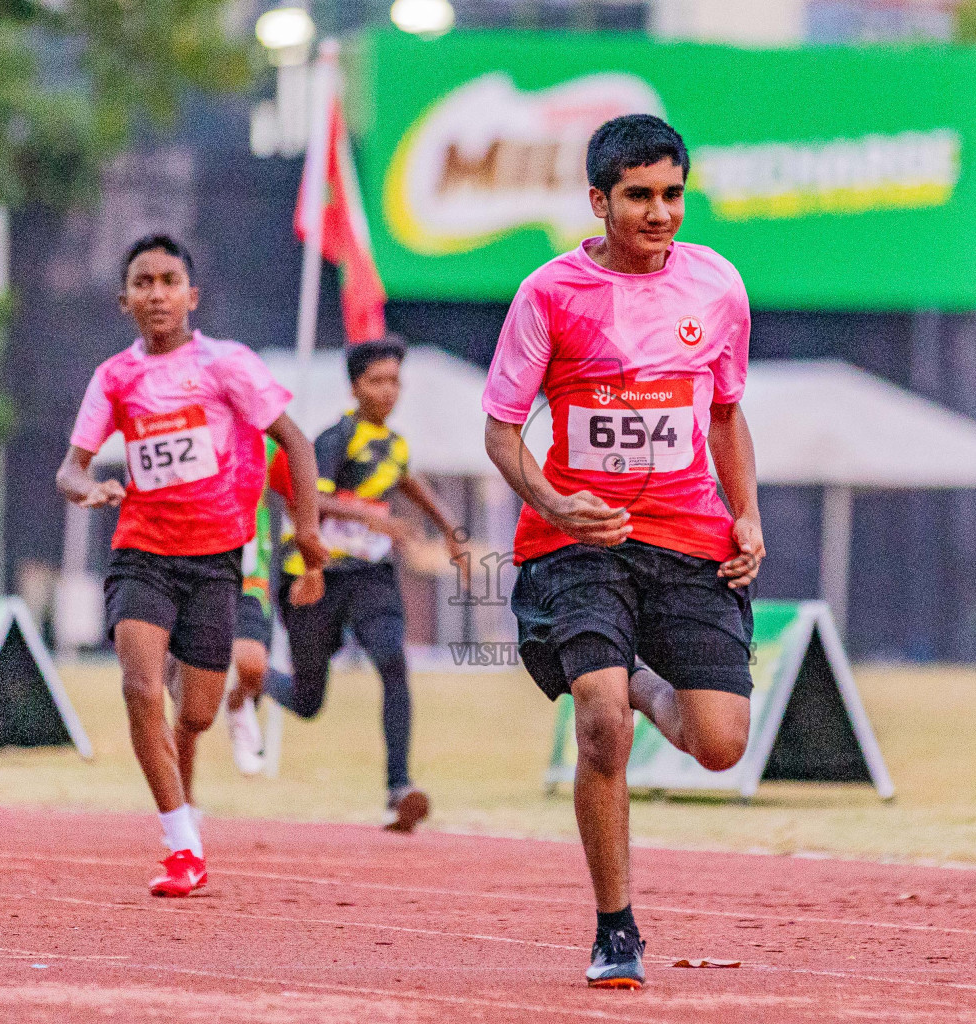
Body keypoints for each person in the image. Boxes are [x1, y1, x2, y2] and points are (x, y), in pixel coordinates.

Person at [481, 114, 764, 989]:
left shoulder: (717, 287)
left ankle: (641, 681)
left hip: (688, 537)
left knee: (718, 744)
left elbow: (723, 412)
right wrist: (556, 501)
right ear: (599, 200)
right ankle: (615, 928)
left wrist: (748, 515)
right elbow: (500, 432)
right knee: (599, 720)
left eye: (672, 194)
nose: (659, 213)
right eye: (639, 196)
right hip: (580, 542)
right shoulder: (550, 295)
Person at [56, 233, 327, 897]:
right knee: (140, 687)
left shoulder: (228, 365)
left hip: (215, 561)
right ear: (125, 299)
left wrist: (310, 532)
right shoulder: (115, 377)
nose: (156, 293)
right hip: (142, 550)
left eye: (169, 280)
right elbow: (71, 464)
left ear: (190, 295)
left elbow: (293, 442)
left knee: (197, 712)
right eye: (143, 282)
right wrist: (85, 489)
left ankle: (200, 707)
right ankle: (182, 844)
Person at [265, 336, 465, 833]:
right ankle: (252, 677)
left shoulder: (394, 445)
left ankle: (400, 789)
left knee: (393, 660)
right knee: (309, 702)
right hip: (313, 575)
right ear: (355, 387)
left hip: (370, 577)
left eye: (395, 380)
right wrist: (375, 520)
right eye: (377, 380)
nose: (388, 390)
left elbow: (408, 482)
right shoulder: (335, 438)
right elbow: (312, 500)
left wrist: (449, 531)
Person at [222, 435, 306, 776]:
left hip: (249, 569)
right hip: (193, 565)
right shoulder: (192, 429)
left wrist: (308, 552)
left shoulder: (267, 443)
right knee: (192, 689)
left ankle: (238, 703)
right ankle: (184, 800)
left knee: (254, 666)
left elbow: (298, 497)